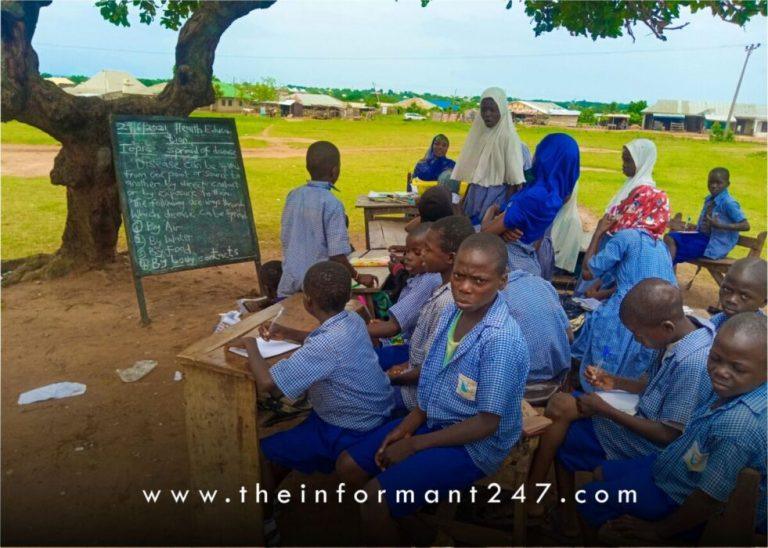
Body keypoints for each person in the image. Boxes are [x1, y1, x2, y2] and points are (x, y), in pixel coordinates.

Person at [335, 233, 529, 545]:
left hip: (475, 444)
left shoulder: (499, 341)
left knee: (373, 501)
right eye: (459, 277)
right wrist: (409, 426)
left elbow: (486, 423)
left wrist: (415, 445)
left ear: (502, 281)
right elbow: (434, 378)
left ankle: (407, 524)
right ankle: (427, 534)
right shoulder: (454, 311)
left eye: (479, 281)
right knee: (348, 467)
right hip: (437, 417)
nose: (465, 287)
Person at [529, 279, 716, 533]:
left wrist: (605, 409)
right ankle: (563, 511)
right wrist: (614, 381)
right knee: (564, 420)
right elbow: (652, 384)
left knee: (563, 434)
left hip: (655, 445)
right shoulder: (677, 335)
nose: (637, 340)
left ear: (667, 326)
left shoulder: (692, 363)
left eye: (639, 334)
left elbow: (668, 434)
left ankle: (561, 512)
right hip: (642, 415)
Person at [239, 261, 394, 545]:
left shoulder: (326, 345)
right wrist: (287, 333)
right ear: (348, 296)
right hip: (372, 411)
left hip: (347, 427)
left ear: (307, 302)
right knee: (298, 432)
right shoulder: (352, 319)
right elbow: (321, 340)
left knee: (260, 452)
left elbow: (269, 386)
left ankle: (267, 522)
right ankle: (286, 474)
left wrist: (249, 344)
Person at [577, 313, 766, 543]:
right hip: (676, 465)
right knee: (600, 473)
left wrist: (658, 530)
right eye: (715, 358)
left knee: (586, 498)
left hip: (679, 496)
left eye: (737, 368)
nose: (720, 371)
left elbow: (707, 499)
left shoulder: (737, 428)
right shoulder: (740, 389)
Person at [571, 185, 676, 389]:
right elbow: (637, 283)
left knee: (603, 364)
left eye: (629, 199)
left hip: (625, 315)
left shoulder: (626, 237)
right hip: (654, 319)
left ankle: (591, 400)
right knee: (628, 369)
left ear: (636, 206)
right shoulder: (660, 247)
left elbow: (587, 272)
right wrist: (604, 293)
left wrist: (599, 232)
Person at [388, 216, 476, 411]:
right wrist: (405, 366)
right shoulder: (441, 287)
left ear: (451, 258)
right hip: (414, 375)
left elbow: (429, 369)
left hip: (416, 396)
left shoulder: (447, 302)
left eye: (427, 251)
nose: (423, 255)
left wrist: (393, 378)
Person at [277, 141, 377, 297]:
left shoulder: (293, 195)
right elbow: (337, 255)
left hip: (289, 283)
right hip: (318, 288)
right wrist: (358, 276)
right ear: (335, 171)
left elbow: (286, 237)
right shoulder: (332, 203)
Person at [482, 133, 580, 277]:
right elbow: (536, 242)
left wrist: (490, 211)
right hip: (529, 262)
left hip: (506, 262)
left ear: (546, 157)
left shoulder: (533, 196)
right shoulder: (555, 196)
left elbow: (484, 233)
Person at [576, 138, 658, 296]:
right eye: (623, 159)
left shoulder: (643, 192)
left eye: (627, 160)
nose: (623, 164)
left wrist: (600, 231)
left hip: (616, 247)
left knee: (594, 285)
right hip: (611, 244)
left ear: (642, 161)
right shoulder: (632, 184)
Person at [368, 224, 441, 369]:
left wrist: (351, 330)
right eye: (406, 251)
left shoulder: (428, 281)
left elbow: (393, 327)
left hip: (409, 349)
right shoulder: (420, 277)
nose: (407, 257)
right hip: (404, 341)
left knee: (360, 359)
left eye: (416, 252)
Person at [450, 87, 525, 225]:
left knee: (484, 233)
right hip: (475, 195)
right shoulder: (480, 135)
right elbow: (475, 174)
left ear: (501, 110)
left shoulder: (508, 137)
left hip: (495, 199)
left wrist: (504, 214)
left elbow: (513, 182)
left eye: (492, 110)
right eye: (484, 110)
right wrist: (464, 200)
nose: (487, 114)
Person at [665, 167, 750, 264]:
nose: (713, 186)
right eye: (710, 182)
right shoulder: (709, 199)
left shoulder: (729, 203)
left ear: (727, 184)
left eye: (718, 183)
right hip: (701, 237)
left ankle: (665, 272)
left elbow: (746, 225)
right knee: (669, 237)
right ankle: (665, 271)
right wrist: (696, 227)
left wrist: (721, 225)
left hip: (713, 245)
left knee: (675, 251)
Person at [500, 267, 571, 383]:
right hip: (556, 377)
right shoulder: (542, 283)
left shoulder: (494, 295)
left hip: (521, 383)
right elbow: (570, 337)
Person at [709, 257, 767, 330]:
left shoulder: (759, 335)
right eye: (727, 289)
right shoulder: (720, 318)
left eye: (744, 296)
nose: (732, 300)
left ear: (764, 302)